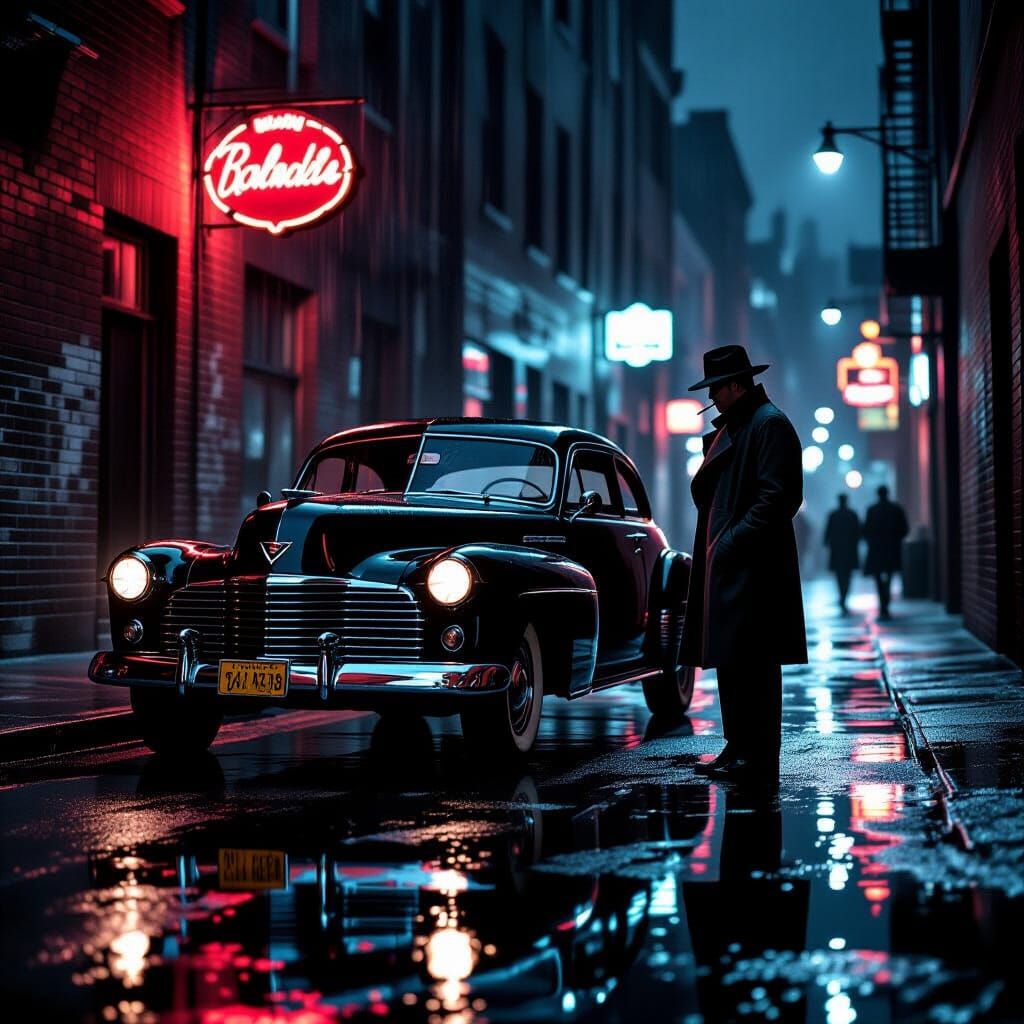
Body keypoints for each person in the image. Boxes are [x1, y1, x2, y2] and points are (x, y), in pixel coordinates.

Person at [681, 345, 807, 783]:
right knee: (732, 662)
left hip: (755, 570)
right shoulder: (740, 425)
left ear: (737, 385)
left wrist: (730, 543)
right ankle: (739, 750)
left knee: (755, 666)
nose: (712, 397)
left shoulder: (767, 424)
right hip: (735, 567)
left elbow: (779, 498)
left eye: (716, 387)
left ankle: (755, 755)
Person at [862, 485, 909, 620]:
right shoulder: (896, 509)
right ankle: (885, 600)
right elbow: (905, 529)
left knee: (878, 576)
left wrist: (872, 540)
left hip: (876, 549)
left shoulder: (872, 510)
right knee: (889, 575)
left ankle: (883, 601)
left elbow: (866, 530)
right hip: (892, 548)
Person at [824, 494, 861, 612]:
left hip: (837, 550)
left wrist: (827, 543)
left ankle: (842, 596)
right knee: (848, 575)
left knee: (839, 575)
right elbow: (858, 532)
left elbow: (827, 532)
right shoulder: (852, 515)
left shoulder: (833, 515)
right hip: (849, 550)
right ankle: (844, 595)